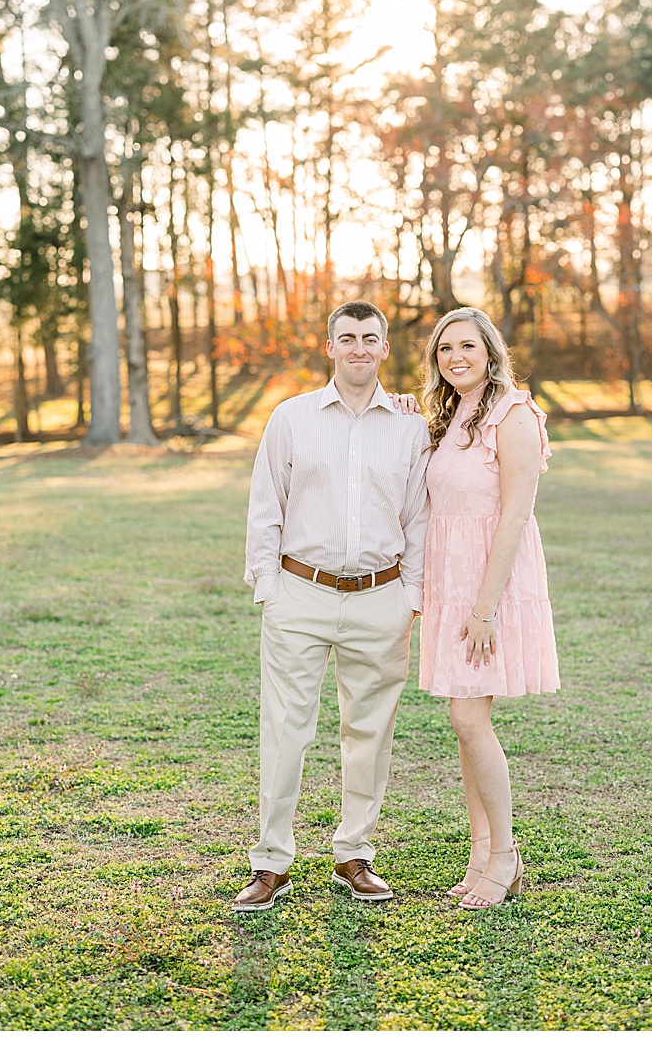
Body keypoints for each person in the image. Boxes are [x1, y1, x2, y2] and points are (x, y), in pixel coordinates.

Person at [236, 301, 432, 911]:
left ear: (384, 348)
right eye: (346, 338)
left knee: (369, 732)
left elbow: (420, 516)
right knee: (285, 731)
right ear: (329, 347)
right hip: (300, 593)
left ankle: (355, 853)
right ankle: (271, 862)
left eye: (370, 338)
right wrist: (268, 587)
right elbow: (266, 502)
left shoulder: (410, 426)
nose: (358, 348)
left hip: (381, 596)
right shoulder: (291, 418)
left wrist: (413, 596)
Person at [417, 306, 559, 909]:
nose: (455, 358)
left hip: (489, 587)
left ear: (490, 351)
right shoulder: (453, 416)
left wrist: (484, 608)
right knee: (464, 724)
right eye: (445, 350)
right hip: (451, 585)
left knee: (470, 721)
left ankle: (504, 856)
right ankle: (481, 856)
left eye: (466, 347)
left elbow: (515, 514)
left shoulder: (512, 413)